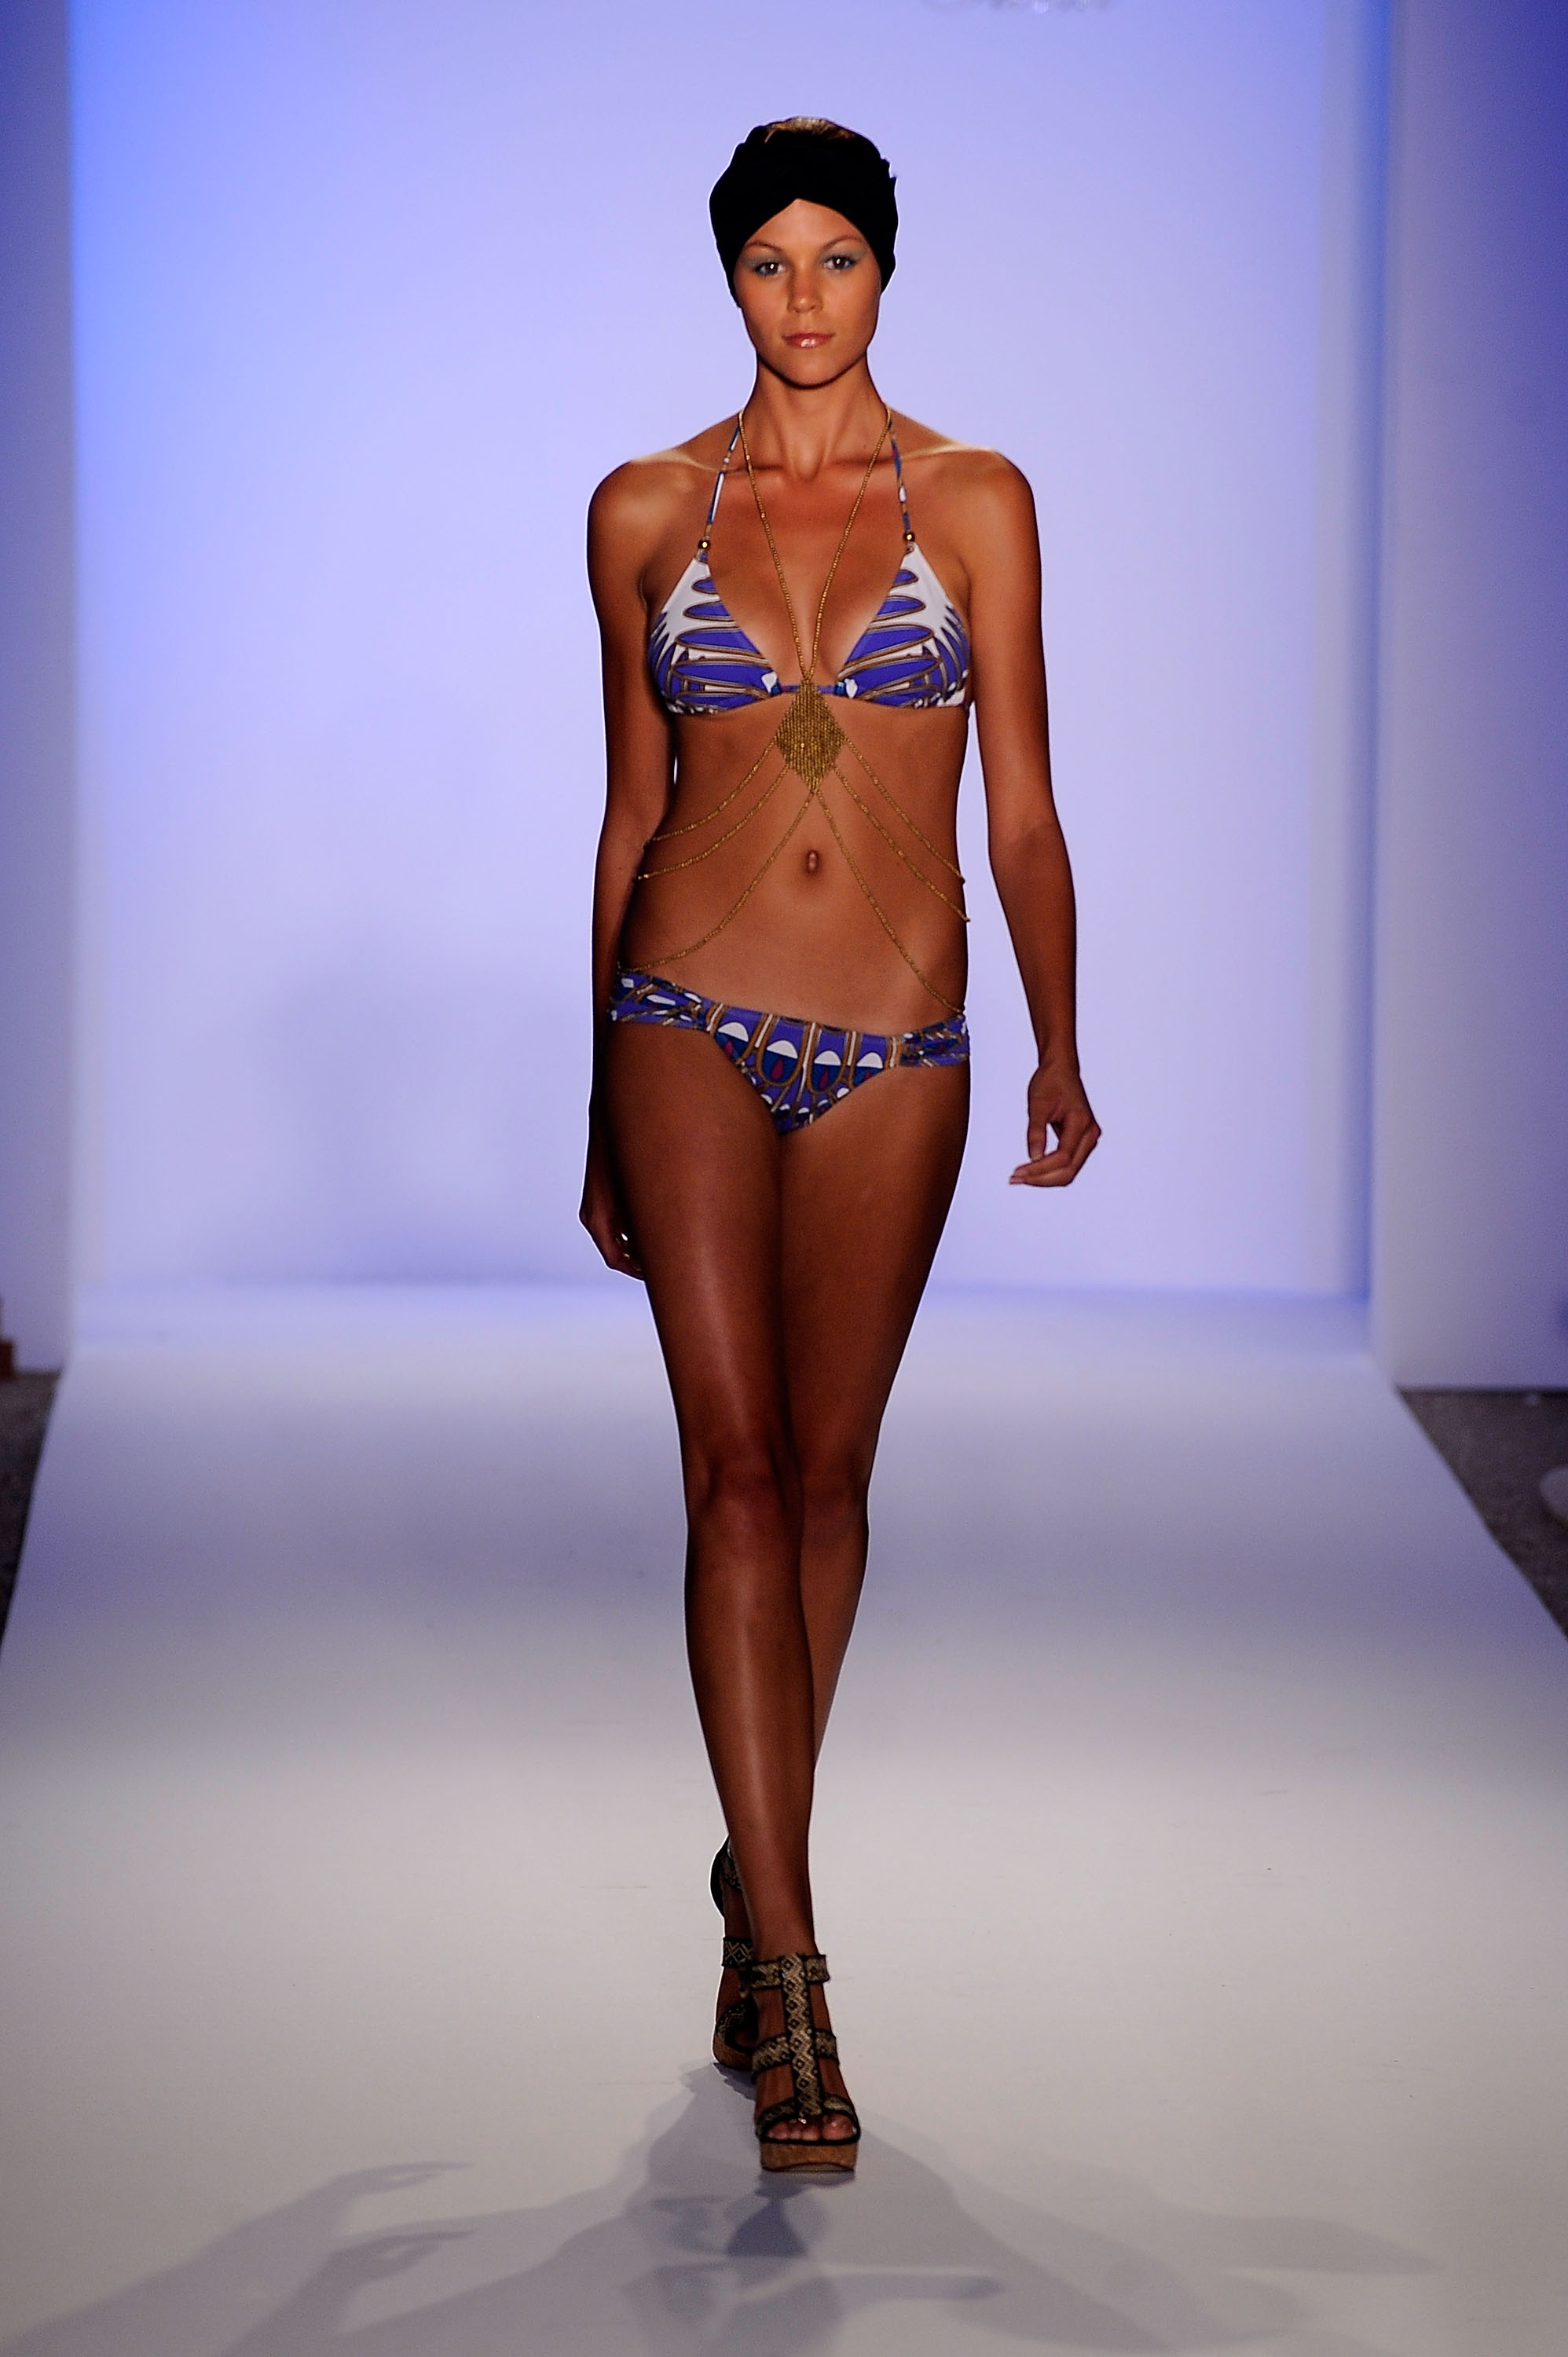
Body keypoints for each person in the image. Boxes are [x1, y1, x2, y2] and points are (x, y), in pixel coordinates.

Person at [581, 118, 1099, 2172]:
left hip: (899, 1043)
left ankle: (752, 1863)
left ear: (887, 270)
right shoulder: (644, 507)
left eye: (838, 260)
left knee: (823, 1479)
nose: (804, 299)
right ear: (728, 280)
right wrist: (593, 1094)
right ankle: (793, 1985)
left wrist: (1062, 1040)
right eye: (768, 263)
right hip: (683, 1026)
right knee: (727, 1472)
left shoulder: (975, 499)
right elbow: (631, 813)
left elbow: (1023, 802)